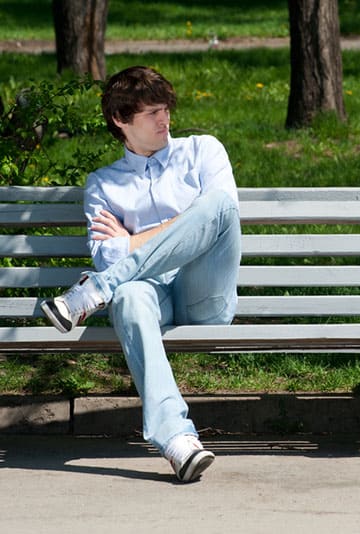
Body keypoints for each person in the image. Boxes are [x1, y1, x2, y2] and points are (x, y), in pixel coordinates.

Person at [40, 66, 241, 482]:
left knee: (216, 205)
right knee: (129, 296)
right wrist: (172, 229)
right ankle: (177, 440)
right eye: (151, 113)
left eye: (165, 108)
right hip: (149, 297)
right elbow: (105, 253)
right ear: (120, 120)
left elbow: (219, 218)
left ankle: (91, 294)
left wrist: (133, 240)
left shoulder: (203, 150)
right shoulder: (103, 184)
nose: (164, 119)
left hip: (202, 289)